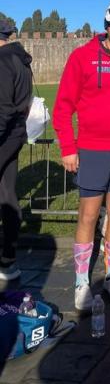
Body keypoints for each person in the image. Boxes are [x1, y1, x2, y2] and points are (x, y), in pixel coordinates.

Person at [53, 2, 110, 311]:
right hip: (93, 150)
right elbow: (63, 107)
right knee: (88, 215)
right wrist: (68, 148)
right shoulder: (82, 57)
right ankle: (81, 281)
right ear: (106, 26)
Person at [0, 21, 32, 281]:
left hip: (4, 134)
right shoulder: (20, 60)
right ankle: (8, 261)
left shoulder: (2, 61)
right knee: (7, 193)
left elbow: (2, 109)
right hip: (16, 133)